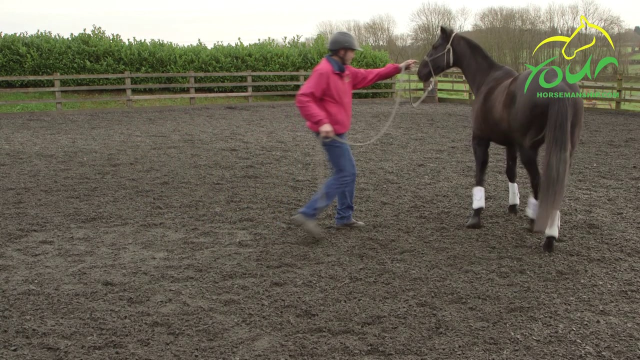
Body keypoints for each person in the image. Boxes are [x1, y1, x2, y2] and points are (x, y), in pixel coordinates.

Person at [291, 31, 418, 238]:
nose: (353, 55)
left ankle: (344, 217)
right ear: (342, 51)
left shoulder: (345, 72)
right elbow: (304, 98)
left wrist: (398, 67)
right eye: (352, 51)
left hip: (338, 131)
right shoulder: (324, 71)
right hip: (329, 133)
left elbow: (370, 75)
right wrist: (322, 122)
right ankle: (309, 212)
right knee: (345, 173)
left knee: (347, 172)